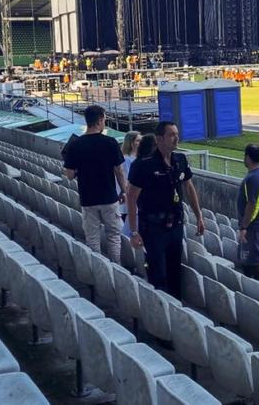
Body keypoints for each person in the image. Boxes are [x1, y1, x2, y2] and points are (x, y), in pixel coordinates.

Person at [127, 121, 205, 297]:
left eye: (177, 134)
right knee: (158, 274)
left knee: (175, 271)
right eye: (171, 135)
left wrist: (199, 215)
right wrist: (133, 231)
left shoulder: (180, 160)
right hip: (153, 228)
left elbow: (189, 188)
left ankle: (176, 311)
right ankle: (160, 312)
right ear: (159, 138)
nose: (176, 138)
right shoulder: (144, 165)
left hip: (175, 225)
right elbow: (132, 198)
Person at [63, 105, 127, 263]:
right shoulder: (110, 142)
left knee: (92, 239)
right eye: (104, 118)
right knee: (114, 237)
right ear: (100, 120)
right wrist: (124, 191)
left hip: (88, 199)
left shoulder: (75, 144)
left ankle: (99, 271)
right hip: (109, 198)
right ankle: (116, 270)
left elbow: (70, 175)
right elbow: (119, 170)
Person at [237, 144, 259, 280]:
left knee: (255, 257)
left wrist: (244, 226)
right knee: (250, 256)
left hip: (253, 225)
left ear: (248, 158)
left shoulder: (253, 178)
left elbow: (252, 204)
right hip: (255, 223)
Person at [118, 131, 141, 234]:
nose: (141, 143)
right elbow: (127, 180)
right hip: (129, 201)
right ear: (132, 143)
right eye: (138, 140)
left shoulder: (138, 159)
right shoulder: (126, 159)